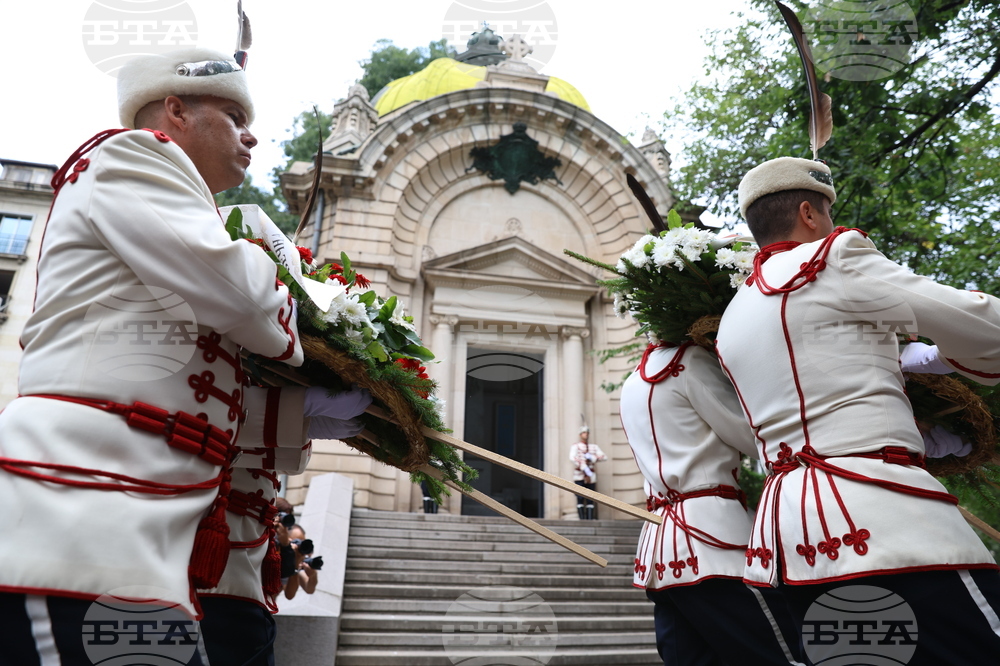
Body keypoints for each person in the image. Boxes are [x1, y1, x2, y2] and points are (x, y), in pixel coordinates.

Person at [0, 47, 369, 665]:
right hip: (71, 520)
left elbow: (190, 399)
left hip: (134, 541)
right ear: (175, 110)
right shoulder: (130, 155)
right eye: (234, 116)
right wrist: (303, 301)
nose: (251, 136)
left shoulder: (181, 211)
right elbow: (244, 297)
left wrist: (298, 413)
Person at [716, 156, 1000, 664]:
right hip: (881, 517)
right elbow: (979, 324)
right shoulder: (833, 257)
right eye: (827, 212)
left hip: (790, 540)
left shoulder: (733, 314)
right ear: (808, 213)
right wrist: (951, 356)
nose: (831, 223)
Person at [621, 341, 803, 665]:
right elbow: (751, 435)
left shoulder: (631, 380)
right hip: (713, 541)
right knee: (781, 655)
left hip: (662, 553)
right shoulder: (691, 360)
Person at [569, 426, 606, 519]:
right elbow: (572, 457)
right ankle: (582, 519)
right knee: (580, 497)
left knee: (590, 498)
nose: (586, 434)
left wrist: (593, 458)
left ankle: (590, 519)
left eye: (587, 433)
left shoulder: (594, 447)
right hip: (579, 475)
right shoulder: (576, 446)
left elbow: (604, 457)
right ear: (580, 434)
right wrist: (583, 465)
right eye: (584, 433)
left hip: (591, 475)